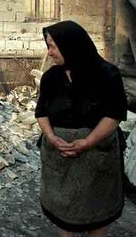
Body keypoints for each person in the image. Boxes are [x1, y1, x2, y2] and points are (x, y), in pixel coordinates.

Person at [35, 21, 127, 237]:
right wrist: (51, 137)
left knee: (97, 216)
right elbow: (41, 112)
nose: (49, 53)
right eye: (47, 46)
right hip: (60, 158)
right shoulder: (51, 78)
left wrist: (87, 142)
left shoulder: (107, 74)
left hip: (97, 158)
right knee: (64, 217)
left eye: (53, 47)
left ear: (71, 46)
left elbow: (114, 115)